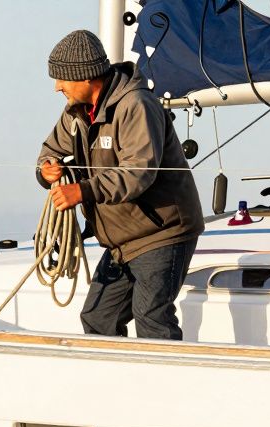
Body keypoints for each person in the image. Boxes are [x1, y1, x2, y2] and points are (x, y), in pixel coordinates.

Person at [37, 29, 204, 340]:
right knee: (98, 318)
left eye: (62, 78)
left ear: (86, 76)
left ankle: (169, 373)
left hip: (161, 232)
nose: (57, 87)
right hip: (120, 241)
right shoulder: (75, 113)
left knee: (151, 319)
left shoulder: (136, 105)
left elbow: (139, 172)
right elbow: (50, 150)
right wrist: (46, 170)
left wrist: (83, 191)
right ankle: (118, 373)